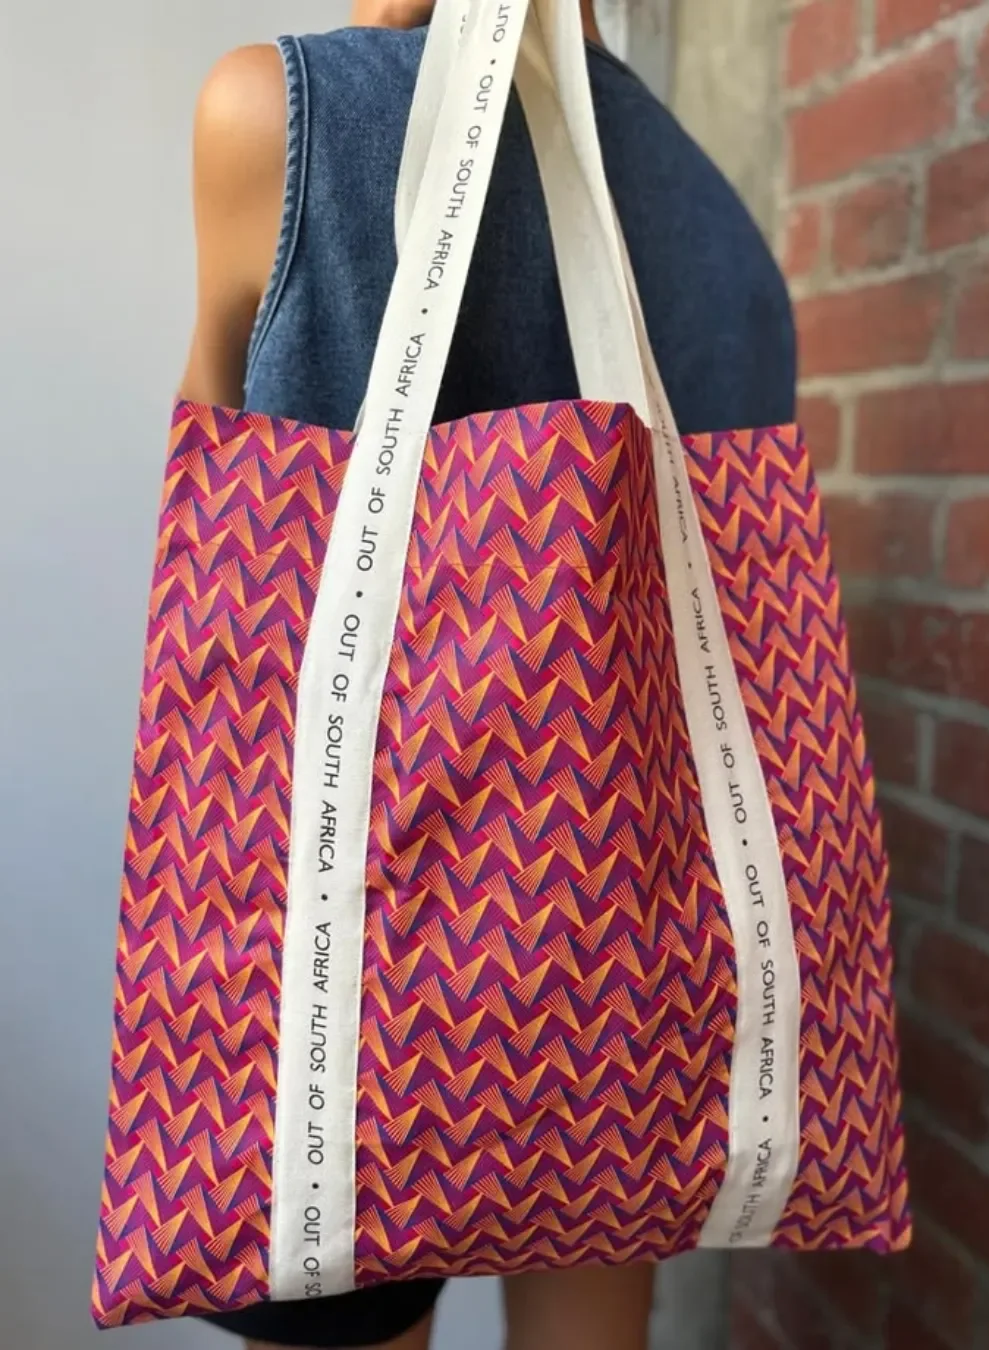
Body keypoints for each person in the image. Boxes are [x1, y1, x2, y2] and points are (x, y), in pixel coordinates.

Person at [182, 1, 795, 1348]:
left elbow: (215, 535)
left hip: (350, 1001)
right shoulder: (722, 234)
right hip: (630, 984)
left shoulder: (275, 117)